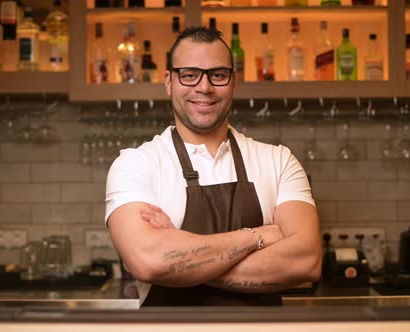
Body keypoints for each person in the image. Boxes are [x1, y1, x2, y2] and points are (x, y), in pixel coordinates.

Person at [105, 26, 322, 306]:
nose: (204, 87)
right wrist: (255, 237)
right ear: (169, 81)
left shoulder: (278, 161)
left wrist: (180, 260)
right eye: (189, 75)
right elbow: (147, 261)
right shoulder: (135, 164)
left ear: (234, 82)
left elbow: (307, 262)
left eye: (218, 75)